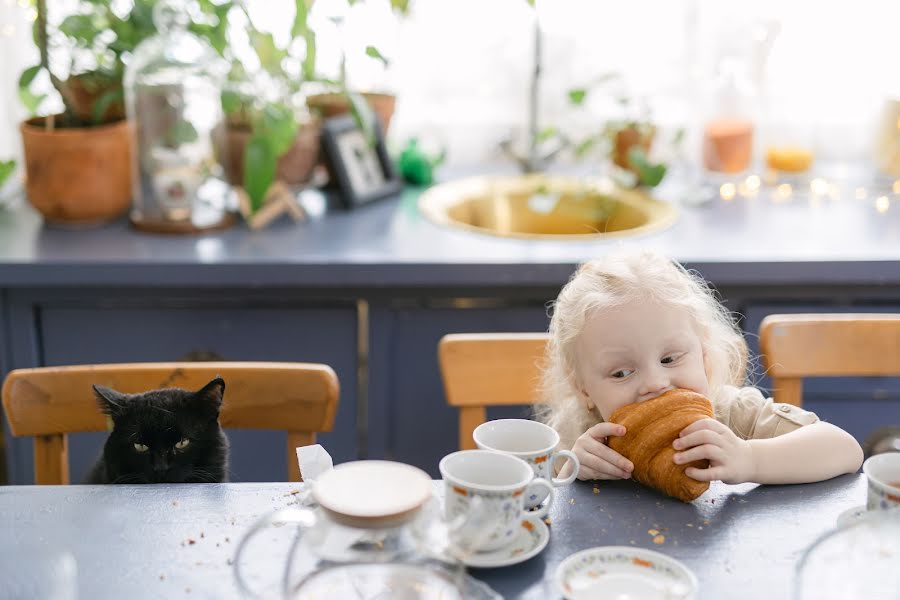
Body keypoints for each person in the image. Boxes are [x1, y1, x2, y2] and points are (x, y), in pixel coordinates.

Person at [538, 248, 863, 485]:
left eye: (669, 358)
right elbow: (537, 509)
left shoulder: (733, 414)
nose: (654, 382)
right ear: (584, 389)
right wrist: (571, 473)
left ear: (704, 355)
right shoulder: (576, 432)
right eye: (621, 373)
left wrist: (750, 459)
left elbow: (845, 449)